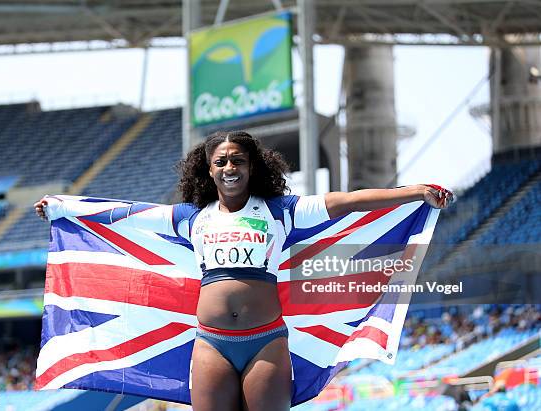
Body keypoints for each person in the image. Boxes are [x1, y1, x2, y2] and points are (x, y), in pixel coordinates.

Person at [34, 130, 453, 411]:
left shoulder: (282, 211)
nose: (229, 168)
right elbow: (125, 214)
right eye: (221, 162)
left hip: (265, 341)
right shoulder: (190, 217)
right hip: (211, 343)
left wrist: (413, 192)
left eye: (237, 160)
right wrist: (61, 208)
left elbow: (349, 201)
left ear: (253, 166)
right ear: (209, 169)